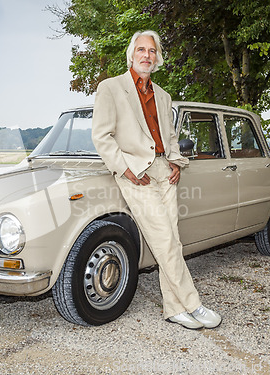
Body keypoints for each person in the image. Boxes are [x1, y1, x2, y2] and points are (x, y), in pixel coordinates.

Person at [91, 30, 222, 330]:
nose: (146, 55)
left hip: (165, 172)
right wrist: (124, 169)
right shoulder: (111, 88)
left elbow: (170, 136)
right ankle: (193, 303)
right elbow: (101, 135)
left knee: (171, 241)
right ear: (131, 54)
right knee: (165, 240)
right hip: (138, 176)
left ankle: (174, 309)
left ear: (157, 56)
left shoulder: (163, 95)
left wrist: (176, 161)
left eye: (152, 50)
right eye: (141, 49)